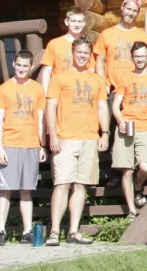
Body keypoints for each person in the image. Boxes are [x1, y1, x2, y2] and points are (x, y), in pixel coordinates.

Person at [45, 37, 109, 246]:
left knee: (81, 185)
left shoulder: (97, 80)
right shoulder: (60, 77)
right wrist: (53, 135)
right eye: (79, 51)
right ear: (73, 52)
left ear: (90, 54)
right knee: (62, 184)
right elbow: (50, 108)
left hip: (90, 138)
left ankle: (73, 231)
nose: (82, 55)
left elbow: (101, 108)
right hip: (65, 139)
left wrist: (105, 133)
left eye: (86, 52)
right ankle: (54, 232)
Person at [0, 50, 46, 246]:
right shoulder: (4, 89)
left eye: (26, 66)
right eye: (19, 65)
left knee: (26, 190)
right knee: (5, 189)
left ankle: (27, 231)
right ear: (13, 64)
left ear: (31, 67)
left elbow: (40, 120)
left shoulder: (38, 89)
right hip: (10, 143)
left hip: (31, 144)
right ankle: (0, 231)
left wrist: (41, 145)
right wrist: (0, 148)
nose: (22, 69)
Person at [111, 42, 147, 220]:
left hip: (145, 128)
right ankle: (131, 210)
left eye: (143, 56)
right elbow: (115, 104)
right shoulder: (125, 77)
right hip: (126, 126)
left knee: (145, 167)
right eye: (137, 56)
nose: (140, 59)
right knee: (127, 170)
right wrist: (120, 120)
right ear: (132, 57)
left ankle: (138, 187)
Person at [93, 0, 147, 93]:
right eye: (129, 9)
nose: (131, 13)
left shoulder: (143, 36)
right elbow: (99, 61)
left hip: (135, 90)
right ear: (122, 7)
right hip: (112, 90)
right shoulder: (106, 34)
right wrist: (102, 84)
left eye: (135, 11)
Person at [40, 8, 89, 93]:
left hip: (80, 91)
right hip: (59, 91)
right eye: (73, 21)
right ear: (66, 22)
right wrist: (46, 94)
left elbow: (91, 71)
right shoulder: (54, 44)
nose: (77, 25)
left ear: (84, 23)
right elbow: (47, 71)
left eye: (80, 22)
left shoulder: (88, 46)